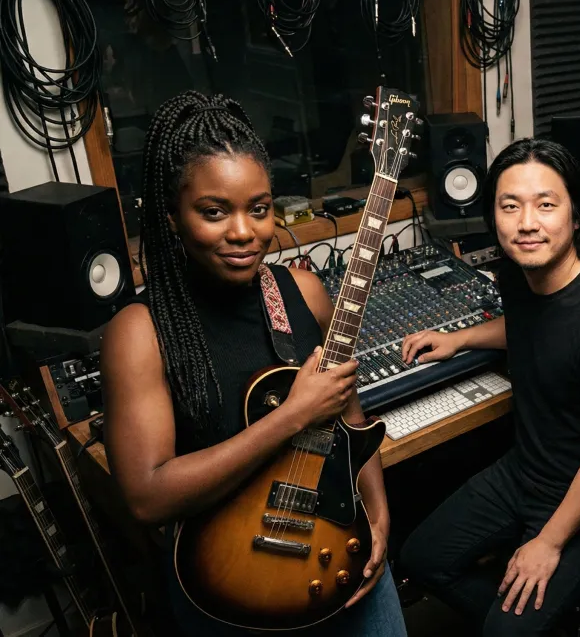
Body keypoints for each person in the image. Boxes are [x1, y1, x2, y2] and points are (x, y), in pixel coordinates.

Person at [100, 90, 406, 636]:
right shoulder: (139, 333)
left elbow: (351, 420)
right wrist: (290, 416)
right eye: (213, 212)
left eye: (259, 209)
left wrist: (379, 515)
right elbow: (148, 496)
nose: (244, 232)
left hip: (340, 549)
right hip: (229, 579)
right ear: (172, 217)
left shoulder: (305, 292)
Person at [397, 138, 580, 635]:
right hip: (525, 471)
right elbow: (528, 325)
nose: (527, 223)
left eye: (546, 205)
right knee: (420, 558)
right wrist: (461, 338)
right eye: (510, 206)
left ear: (576, 216)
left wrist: (549, 543)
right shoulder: (521, 276)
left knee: (504, 630)